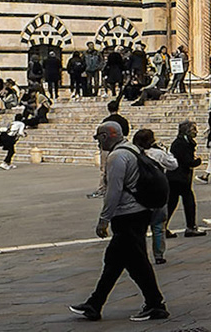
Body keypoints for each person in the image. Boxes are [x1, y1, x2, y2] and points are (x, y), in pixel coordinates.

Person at [72, 121, 169, 321]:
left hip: (127, 215)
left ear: (106, 136)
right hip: (139, 212)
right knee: (116, 262)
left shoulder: (116, 156)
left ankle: (155, 304)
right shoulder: (132, 149)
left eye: (98, 137)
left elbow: (113, 191)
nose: (98, 142)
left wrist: (103, 219)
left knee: (136, 262)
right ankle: (94, 304)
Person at [135, 127, 175, 266]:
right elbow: (173, 165)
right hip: (158, 192)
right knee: (158, 227)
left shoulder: (133, 154)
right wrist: (165, 150)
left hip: (140, 192)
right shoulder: (158, 153)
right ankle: (159, 255)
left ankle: (140, 254)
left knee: (140, 228)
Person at [168, 120, 204, 238]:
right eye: (194, 129)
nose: (196, 132)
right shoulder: (182, 144)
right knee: (188, 202)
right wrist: (197, 161)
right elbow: (186, 161)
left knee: (172, 203)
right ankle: (191, 227)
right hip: (180, 178)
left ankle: (163, 226)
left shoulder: (182, 142)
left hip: (177, 178)